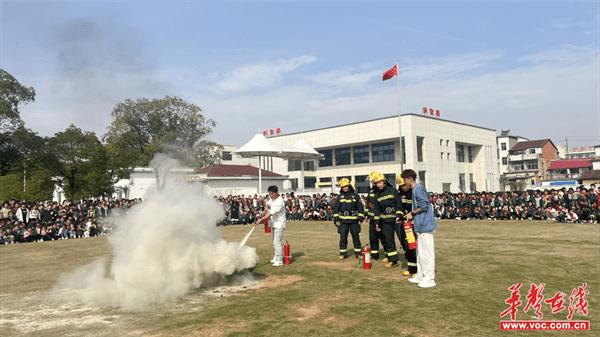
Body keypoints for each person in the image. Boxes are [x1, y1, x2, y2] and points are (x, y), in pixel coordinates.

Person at [402, 169, 437, 288]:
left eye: (405, 180)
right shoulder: (415, 190)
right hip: (420, 226)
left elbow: (424, 206)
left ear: (410, 179)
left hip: (426, 225)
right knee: (420, 253)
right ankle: (421, 275)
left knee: (427, 253)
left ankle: (430, 278)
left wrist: (411, 213)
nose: (404, 183)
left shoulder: (419, 189)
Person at [370, 172, 401, 268]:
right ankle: (393, 260)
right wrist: (376, 223)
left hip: (397, 220)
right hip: (385, 222)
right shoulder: (377, 195)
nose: (379, 184)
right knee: (389, 241)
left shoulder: (393, 190)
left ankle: (411, 258)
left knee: (403, 240)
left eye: (380, 182)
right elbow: (377, 210)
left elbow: (399, 204)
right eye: (377, 183)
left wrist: (399, 215)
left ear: (384, 181)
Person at [332, 178, 364, 259]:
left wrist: (360, 218)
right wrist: (336, 219)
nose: (345, 188)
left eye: (346, 186)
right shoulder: (339, 197)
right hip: (343, 221)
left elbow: (360, 207)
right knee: (343, 237)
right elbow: (336, 209)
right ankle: (343, 253)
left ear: (349, 186)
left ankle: (358, 253)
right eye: (343, 187)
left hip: (354, 221)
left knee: (356, 237)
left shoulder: (356, 196)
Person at [257, 185, 287, 267]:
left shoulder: (280, 201)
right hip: (274, 223)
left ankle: (280, 260)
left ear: (276, 193)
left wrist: (261, 219)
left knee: (277, 242)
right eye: (269, 194)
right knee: (274, 241)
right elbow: (267, 204)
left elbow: (271, 213)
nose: (270, 196)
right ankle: (276, 257)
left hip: (279, 224)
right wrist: (265, 209)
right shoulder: (272, 199)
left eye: (272, 194)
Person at [395, 174, 418, 277]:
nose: (403, 187)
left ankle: (415, 270)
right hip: (404, 223)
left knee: (411, 246)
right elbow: (399, 206)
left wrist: (412, 217)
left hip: (412, 223)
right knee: (406, 246)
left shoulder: (414, 192)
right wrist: (399, 215)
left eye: (403, 184)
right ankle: (411, 268)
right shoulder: (399, 194)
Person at [365, 172, 386, 260]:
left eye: (374, 181)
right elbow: (368, 203)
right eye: (373, 181)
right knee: (373, 238)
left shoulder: (382, 190)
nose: (373, 183)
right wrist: (366, 213)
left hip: (382, 219)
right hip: (372, 219)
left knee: (383, 237)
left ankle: (388, 254)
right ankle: (374, 255)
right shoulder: (371, 190)